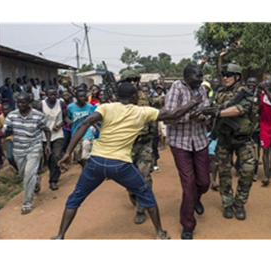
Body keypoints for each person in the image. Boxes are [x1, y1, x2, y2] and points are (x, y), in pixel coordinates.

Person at [52, 82, 202, 240]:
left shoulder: (105, 107)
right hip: (120, 165)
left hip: (95, 162)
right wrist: (193, 102)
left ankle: (60, 235)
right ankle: (159, 233)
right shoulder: (143, 112)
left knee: (76, 197)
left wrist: (68, 152)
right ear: (134, 97)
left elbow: (84, 123)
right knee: (145, 194)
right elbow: (173, 114)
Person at [203, 62, 259, 221]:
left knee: (248, 170)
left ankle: (240, 203)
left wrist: (218, 113)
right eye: (223, 75)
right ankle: (227, 203)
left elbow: (240, 109)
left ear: (237, 77)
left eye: (228, 75)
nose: (225, 78)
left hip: (243, 138)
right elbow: (212, 107)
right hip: (224, 138)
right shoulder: (219, 93)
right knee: (224, 172)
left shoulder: (245, 93)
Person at [165, 64, 211, 239]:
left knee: (204, 182)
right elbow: (169, 117)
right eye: (198, 76)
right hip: (180, 143)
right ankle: (188, 225)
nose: (201, 79)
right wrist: (191, 114)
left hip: (200, 140)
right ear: (187, 77)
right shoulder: (176, 88)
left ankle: (196, 199)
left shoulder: (202, 90)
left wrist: (204, 116)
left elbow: (205, 112)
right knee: (188, 184)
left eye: (202, 76)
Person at [2, 91, 52, 214]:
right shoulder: (12, 115)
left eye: (23, 102)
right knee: (25, 174)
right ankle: (36, 181)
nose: (21, 104)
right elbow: (5, 130)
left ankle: (27, 203)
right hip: (18, 150)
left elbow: (47, 130)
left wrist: (48, 145)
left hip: (34, 148)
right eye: (18, 102)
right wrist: (6, 132)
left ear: (29, 102)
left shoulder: (38, 115)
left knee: (28, 175)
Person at [119, 70, 159, 225]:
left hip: (144, 143)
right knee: (128, 177)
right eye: (130, 80)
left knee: (144, 176)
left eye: (135, 80)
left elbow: (162, 103)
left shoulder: (147, 97)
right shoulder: (118, 102)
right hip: (127, 144)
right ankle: (135, 197)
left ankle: (141, 208)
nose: (134, 83)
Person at [36, 86, 69, 190]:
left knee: (56, 155)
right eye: (50, 95)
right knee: (48, 158)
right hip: (44, 136)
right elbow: (37, 120)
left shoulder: (61, 103)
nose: (53, 97)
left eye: (55, 94)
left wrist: (61, 125)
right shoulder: (41, 105)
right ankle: (54, 171)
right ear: (46, 95)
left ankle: (53, 180)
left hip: (58, 134)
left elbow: (65, 118)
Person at [66, 87, 94, 168]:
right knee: (78, 156)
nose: (82, 98)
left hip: (87, 132)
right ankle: (84, 167)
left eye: (83, 96)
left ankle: (89, 169)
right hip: (75, 133)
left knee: (85, 153)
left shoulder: (90, 106)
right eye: (80, 97)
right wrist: (68, 121)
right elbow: (67, 116)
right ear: (76, 97)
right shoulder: (70, 107)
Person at [0, 103, 18, 172]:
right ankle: (18, 170)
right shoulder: (0, 118)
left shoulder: (16, 116)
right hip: (9, 139)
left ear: (10, 110)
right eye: (4, 110)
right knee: (10, 157)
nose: (6, 111)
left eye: (7, 109)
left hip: (19, 138)